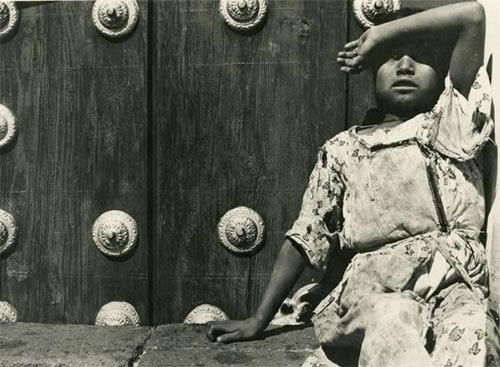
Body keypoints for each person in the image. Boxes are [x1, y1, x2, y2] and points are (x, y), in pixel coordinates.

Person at [207, 2, 500, 366]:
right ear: (373, 72)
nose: (405, 66)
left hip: (453, 282)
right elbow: (305, 237)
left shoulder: (450, 124)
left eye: (421, 56)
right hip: (375, 288)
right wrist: (258, 319)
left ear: (443, 71)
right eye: (391, 58)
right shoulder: (343, 151)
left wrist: (380, 35)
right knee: (391, 322)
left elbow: (472, 16)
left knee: (474, 330)